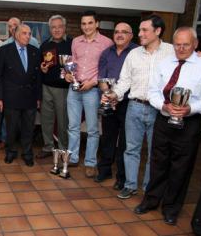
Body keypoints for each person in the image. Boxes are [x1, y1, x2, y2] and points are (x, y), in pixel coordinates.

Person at [134, 27, 201, 225]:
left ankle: (171, 208)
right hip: (164, 119)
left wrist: (190, 108)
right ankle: (150, 201)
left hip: (190, 122)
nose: (181, 48)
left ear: (195, 44)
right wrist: (163, 105)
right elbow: (153, 91)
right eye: (177, 44)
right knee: (158, 162)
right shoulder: (165, 64)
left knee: (181, 167)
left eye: (186, 44)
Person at [104, 15, 174, 199]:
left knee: (154, 152)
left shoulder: (171, 52)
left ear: (157, 31)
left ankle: (149, 188)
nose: (140, 34)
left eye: (145, 30)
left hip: (159, 110)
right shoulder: (134, 54)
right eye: (140, 30)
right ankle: (130, 185)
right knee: (131, 149)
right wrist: (114, 94)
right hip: (134, 107)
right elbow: (124, 81)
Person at [64, 10, 113, 178]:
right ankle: (73, 157)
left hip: (92, 90)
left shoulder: (107, 43)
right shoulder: (76, 41)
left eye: (90, 23)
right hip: (74, 88)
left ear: (97, 24)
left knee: (92, 129)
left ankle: (90, 162)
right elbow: (72, 63)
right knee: (73, 126)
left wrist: (93, 82)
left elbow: (107, 68)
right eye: (83, 23)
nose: (87, 26)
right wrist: (68, 74)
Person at [94, 22, 138, 189]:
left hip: (128, 103)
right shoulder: (106, 53)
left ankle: (122, 177)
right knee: (107, 138)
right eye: (117, 32)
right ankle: (104, 171)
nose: (119, 35)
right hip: (109, 101)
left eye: (124, 32)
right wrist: (108, 95)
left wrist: (117, 96)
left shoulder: (136, 53)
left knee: (125, 142)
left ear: (131, 35)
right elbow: (101, 78)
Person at [0, 24, 41, 167]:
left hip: (30, 97)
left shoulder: (35, 51)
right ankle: (10, 152)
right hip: (11, 96)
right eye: (24, 33)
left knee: (28, 128)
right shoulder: (4, 50)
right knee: (11, 128)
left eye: (29, 33)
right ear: (16, 34)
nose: (28, 36)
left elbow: (38, 76)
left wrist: (38, 97)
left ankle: (27, 153)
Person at [36, 14, 71, 158]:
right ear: (50, 29)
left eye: (59, 27)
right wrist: (42, 68)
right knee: (46, 119)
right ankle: (48, 146)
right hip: (46, 87)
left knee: (63, 121)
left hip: (64, 89)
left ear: (64, 27)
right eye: (53, 27)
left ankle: (63, 148)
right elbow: (40, 66)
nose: (56, 30)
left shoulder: (72, 43)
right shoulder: (44, 45)